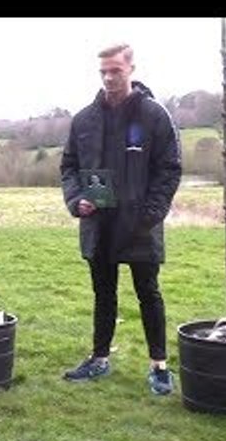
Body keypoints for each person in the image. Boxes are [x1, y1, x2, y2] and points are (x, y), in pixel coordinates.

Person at [60, 43, 181, 396]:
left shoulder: (153, 116)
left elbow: (169, 169)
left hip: (140, 223)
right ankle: (99, 359)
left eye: (116, 70)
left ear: (131, 69)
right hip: (99, 223)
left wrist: (152, 214)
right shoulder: (84, 119)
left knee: (149, 293)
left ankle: (159, 365)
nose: (110, 77)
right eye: (104, 72)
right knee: (103, 294)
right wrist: (76, 199)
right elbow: (68, 166)